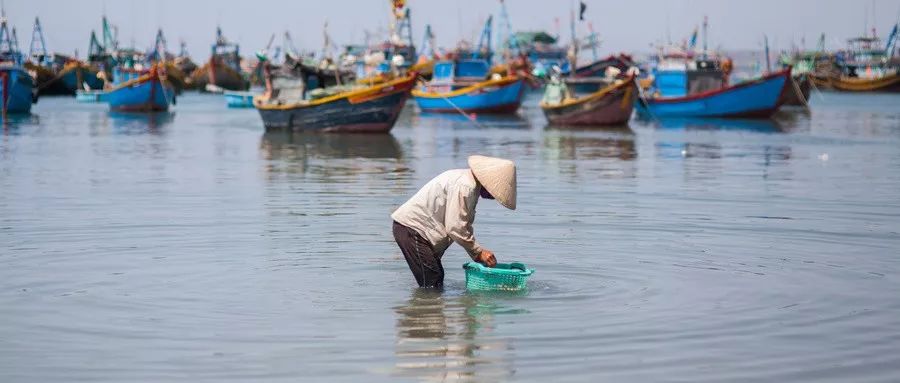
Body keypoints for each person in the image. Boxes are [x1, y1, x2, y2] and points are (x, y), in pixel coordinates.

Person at [391, 155, 517, 288]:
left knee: (434, 279)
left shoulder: (469, 184)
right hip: (413, 230)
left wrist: (477, 254)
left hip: (419, 233)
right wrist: (478, 252)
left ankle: (427, 307)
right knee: (433, 281)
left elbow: (462, 225)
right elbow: (455, 227)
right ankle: (426, 307)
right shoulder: (465, 186)